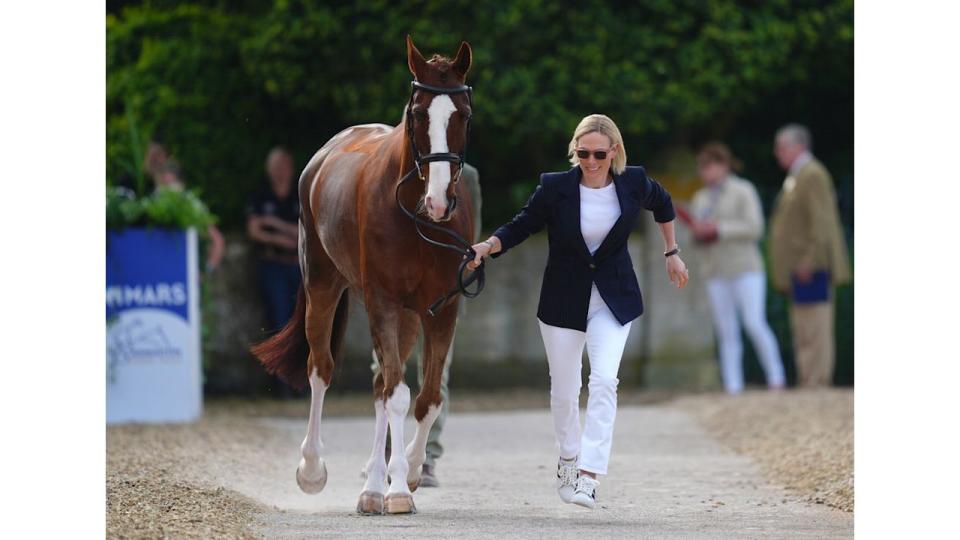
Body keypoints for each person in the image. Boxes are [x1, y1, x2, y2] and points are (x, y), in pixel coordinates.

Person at [468, 114, 688, 509]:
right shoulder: (555, 188)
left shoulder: (633, 181)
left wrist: (671, 253)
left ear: (614, 152)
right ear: (575, 151)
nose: (590, 161)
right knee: (566, 391)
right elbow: (522, 225)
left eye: (599, 154)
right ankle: (568, 460)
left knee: (604, 381)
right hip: (563, 300)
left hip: (613, 299)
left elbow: (664, 203)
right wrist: (488, 247)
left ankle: (588, 475)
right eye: (583, 153)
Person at [370, 163, 481, 488]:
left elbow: (472, 231)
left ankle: (427, 455)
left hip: (441, 287)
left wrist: (463, 277)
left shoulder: (467, 176)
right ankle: (388, 448)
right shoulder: (394, 172)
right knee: (386, 365)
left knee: (435, 371)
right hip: (399, 284)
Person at [689, 142, 786, 394]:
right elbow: (697, 236)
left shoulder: (743, 190)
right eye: (703, 168)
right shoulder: (700, 197)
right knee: (726, 329)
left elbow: (755, 227)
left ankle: (776, 377)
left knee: (754, 323)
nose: (706, 172)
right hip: (715, 271)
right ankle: (733, 385)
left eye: (710, 166)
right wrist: (699, 232)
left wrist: (719, 229)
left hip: (745, 268)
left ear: (723, 166)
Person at [769, 124, 851, 386]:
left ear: (799, 146)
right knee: (804, 327)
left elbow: (822, 223)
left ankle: (817, 381)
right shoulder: (798, 175)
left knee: (815, 326)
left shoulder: (812, 174)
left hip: (812, 266)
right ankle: (809, 380)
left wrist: (810, 261)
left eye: (782, 147)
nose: (777, 153)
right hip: (800, 267)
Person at [246, 147, 302, 334]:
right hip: (272, 265)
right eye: (276, 166)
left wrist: (273, 223)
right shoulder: (261, 195)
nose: (280, 171)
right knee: (278, 318)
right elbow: (254, 231)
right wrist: (281, 239)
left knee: (301, 318)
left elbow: (303, 232)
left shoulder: (300, 194)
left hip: (298, 266)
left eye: (284, 166)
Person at [151, 159, 225, 272]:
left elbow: (217, 240)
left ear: (181, 184)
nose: (167, 191)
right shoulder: (152, 205)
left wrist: (207, 271)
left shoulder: (194, 205)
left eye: (171, 185)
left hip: (187, 273)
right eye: (163, 186)